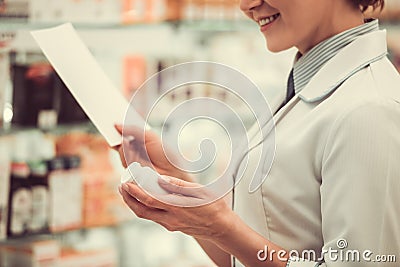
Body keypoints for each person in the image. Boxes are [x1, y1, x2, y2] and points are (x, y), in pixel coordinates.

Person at [115, 0, 400, 266]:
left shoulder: (369, 110)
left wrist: (224, 227)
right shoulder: (303, 85)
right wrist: (179, 182)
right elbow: (242, 256)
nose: (246, 5)